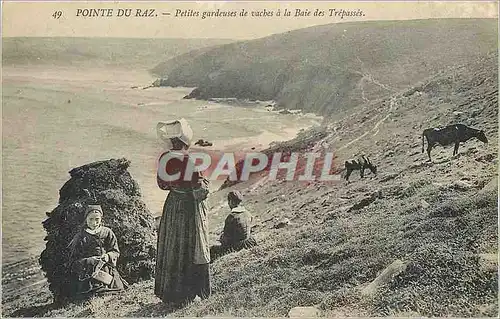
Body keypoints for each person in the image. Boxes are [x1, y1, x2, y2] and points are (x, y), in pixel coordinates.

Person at [155, 119, 211, 307]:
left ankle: (170, 293)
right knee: (188, 247)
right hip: (187, 206)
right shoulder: (190, 160)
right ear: (185, 142)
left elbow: (162, 185)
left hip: (172, 204)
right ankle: (187, 293)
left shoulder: (164, 157)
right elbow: (200, 189)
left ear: (172, 142)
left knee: (171, 246)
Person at [67, 204, 128, 298]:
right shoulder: (80, 237)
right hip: (88, 270)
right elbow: (74, 261)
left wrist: (108, 256)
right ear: (86, 219)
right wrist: (90, 260)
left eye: (97, 219)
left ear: (101, 219)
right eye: (90, 219)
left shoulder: (107, 232)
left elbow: (115, 251)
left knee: (117, 288)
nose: (94, 223)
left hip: (106, 267)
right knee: (93, 292)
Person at [210, 190, 257, 261]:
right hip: (249, 242)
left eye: (229, 202)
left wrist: (221, 238)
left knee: (212, 249)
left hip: (237, 246)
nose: (229, 204)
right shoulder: (247, 213)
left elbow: (226, 239)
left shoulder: (231, 217)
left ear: (231, 202)